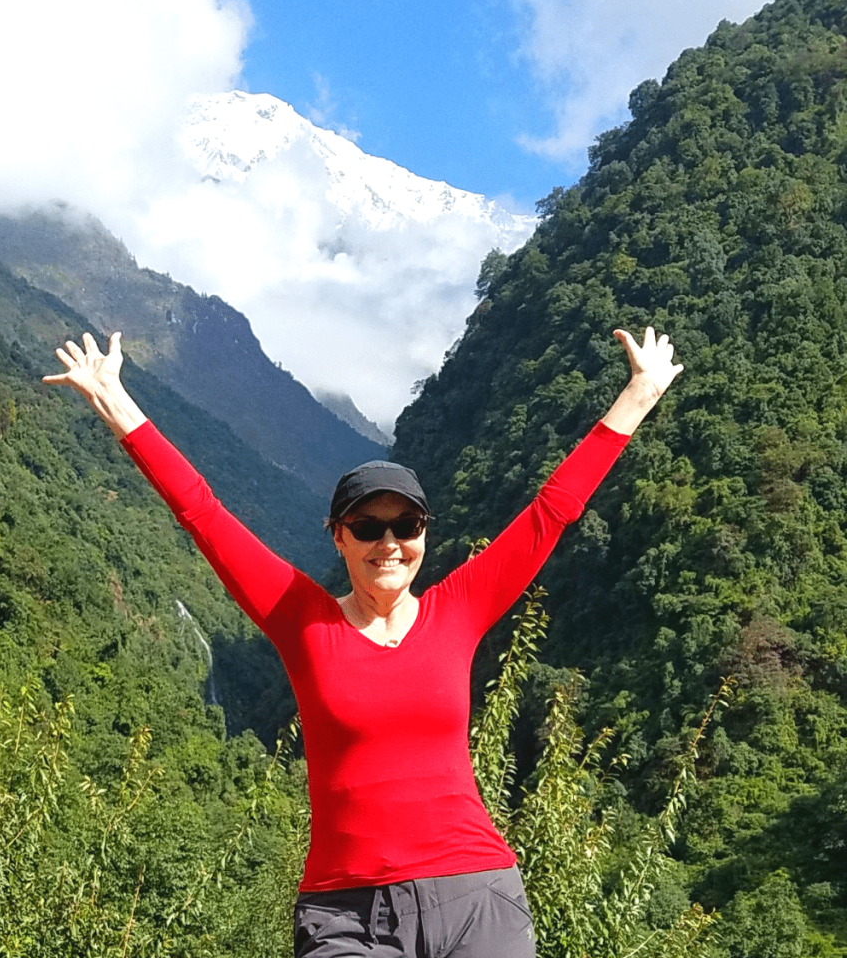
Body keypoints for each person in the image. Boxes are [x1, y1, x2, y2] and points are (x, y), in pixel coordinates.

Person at [44, 326, 682, 958]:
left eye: (406, 524)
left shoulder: (458, 609)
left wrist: (640, 394)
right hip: (346, 912)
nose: (389, 543)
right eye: (368, 526)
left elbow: (552, 511)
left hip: (475, 897)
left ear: (424, 534)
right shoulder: (300, 618)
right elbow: (203, 513)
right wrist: (113, 400)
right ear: (338, 537)